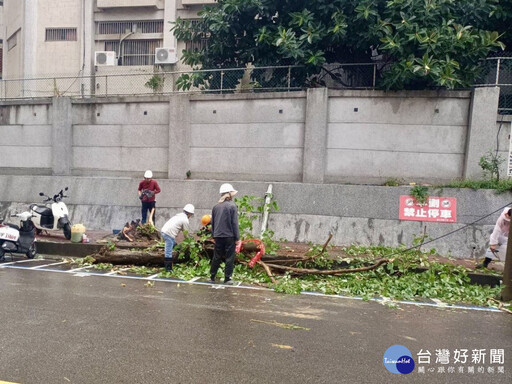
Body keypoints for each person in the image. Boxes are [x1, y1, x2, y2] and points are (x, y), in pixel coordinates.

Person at [210, 183, 240, 285]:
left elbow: (213, 222)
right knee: (229, 257)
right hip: (229, 236)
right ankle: (227, 278)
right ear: (230, 195)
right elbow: (234, 223)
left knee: (216, 256)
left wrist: (213, 235)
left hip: (218, 235)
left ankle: (212, 276)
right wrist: (237, 238)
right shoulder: (232, 206)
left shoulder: (216, 207)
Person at [161, 204, 195, 272]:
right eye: (191, 215)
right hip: (169, 234)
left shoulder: (178, 215)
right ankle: (168, 269)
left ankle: (176, 259)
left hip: (164, 231)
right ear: (190, 214)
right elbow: (186, 233)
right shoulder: (185, 220)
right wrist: (190, 242)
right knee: (168, 251)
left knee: (174, 245)